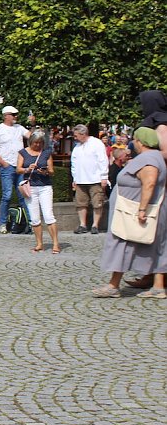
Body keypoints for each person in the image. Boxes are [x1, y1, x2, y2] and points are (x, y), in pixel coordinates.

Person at [94, 127, 167, 299]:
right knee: (157, 246)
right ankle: (157, 287)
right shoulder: (153, 157)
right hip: (143, 209)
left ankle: (113, 285)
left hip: (134, 211)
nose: (133, 143)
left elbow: (149, 183)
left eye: (135, 140)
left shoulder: (148, 159)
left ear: (141, 142)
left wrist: (142, 209)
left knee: (122, 243)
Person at [0, 105, 31, 234]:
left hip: (19, 166)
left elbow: (32, 137)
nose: (16, 116)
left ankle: (30, 222)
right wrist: (3, 163)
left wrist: (33, 124)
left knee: (23, 195)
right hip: (7, 166)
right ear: (6, 115)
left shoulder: (19, 128)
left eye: (16, 114)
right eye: (13, 114)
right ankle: (2, 223)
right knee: (7, 196)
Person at [16, 130, 60, 254]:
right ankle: (39, 243)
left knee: (48, 216)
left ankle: (55, 244)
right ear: (31, 142)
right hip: (30, 187)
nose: (38, 145)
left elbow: (52, 171)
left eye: (40, 143)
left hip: (44, 186)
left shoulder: (46, 153)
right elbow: (18, 169)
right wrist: (27, 169)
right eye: (36, 143)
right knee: (34, 218)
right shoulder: (23, 153)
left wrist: (44, 172)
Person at [70, 124, 109, 234]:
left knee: (97, 203)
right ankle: (83, 224)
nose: (75, 138)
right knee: (81, 203)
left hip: (95, 179)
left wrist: (104, 177)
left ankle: (95, 225)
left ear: (83, 134)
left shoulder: (96, 143)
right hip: (81, 179)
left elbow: (102, 160)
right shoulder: (77, 147)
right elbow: (74, 164)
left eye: (76, 135)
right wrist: (75, 179)